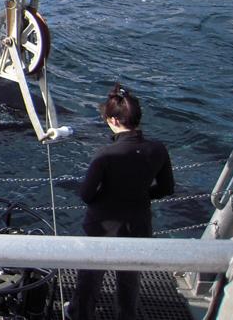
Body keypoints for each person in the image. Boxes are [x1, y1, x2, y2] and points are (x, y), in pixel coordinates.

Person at [65, 83, 175, 320]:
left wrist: (104, 197)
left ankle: (80, 313)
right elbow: (167, 188)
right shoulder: (158, 149)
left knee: (91, 276)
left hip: (103, 225)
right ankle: (126, 315)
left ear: (114, 120)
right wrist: (142, 195)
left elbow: (86, 194)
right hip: (138, 223)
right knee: (130, 277)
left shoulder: (106, 154)